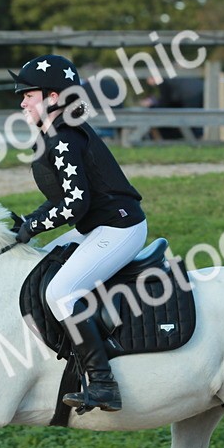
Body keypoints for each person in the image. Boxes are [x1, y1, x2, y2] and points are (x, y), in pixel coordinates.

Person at [10, 54, 148, 413]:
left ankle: (103, 384)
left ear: (53, 97)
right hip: (99, 226)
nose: (22, 101)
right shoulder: (56, 133)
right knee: (38, 264)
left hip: (119, 228)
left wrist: (33, 226)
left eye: (29, 94)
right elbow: (59, 200)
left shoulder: (64, 137)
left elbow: (74, 206)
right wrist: (25, 222)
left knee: (60, 292)